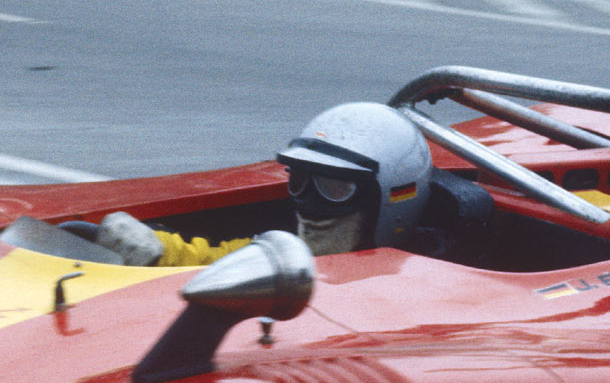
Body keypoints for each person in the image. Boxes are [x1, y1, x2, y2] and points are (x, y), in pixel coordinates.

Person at [94, 102, 437, 267]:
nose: (308, 203)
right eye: (300, 181)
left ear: (389, 199)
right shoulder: (289, 257)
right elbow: (223, 261)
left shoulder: (416, 287)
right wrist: (159, 250)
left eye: (334, 188)